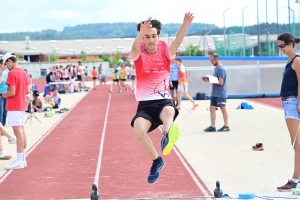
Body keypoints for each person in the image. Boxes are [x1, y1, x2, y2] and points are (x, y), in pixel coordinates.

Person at [130, 12, 194, 184]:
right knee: (138, 131)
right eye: (146, 37)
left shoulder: (165, 52)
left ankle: (167, 135)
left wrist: (185, 24)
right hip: (145, 105)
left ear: (158, 36)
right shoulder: (139, 54)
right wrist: (140, 32)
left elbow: (177, 42)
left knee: (168, 110)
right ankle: (157, 161)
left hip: (163, 100)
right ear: (142, 38)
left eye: (153, 36)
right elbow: (134, 49)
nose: (151, 40)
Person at [276, 32, 300, 191]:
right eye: (278, 47)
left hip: (293, 102)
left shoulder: (297, 60)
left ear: (291, 43)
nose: (281, 49)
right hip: (288, 103)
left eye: (282, 46)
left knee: (297, 144)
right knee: (297, 144)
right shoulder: (290, 61)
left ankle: (296, 179)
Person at [1, 52, 30, 170]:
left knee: (18, 133)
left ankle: (19, 160)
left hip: (14, 106)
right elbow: (27, 91)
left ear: (9, 61)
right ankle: (22, 159)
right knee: (22, 132)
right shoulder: (23, 72)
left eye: (6, 63)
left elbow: (11, 92)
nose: (6, 66)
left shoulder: (12, 73)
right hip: (21, 105)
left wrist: (1, 94)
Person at [202, 54, 229, 132]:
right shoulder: (215, 69)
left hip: (220, 93)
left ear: (217, 59)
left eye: (212, 61)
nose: (211, 62)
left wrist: (210, 80)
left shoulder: (221, 69)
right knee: (212, 108)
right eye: (211, 61)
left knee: (223, 108)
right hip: (214, 93)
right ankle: (213, 126)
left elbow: (221, 82)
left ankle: (226, 126)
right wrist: (208, 79)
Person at [0, 59, 16, 144]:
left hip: (6, 94)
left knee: (5, 112)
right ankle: (3, 130)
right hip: (0, 94)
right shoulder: (2, 73)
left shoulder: (8, 72)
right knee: (1, 111)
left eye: (6, 64)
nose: (5, 65)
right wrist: (2, 75)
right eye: (4, 64)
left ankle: (3, 128)